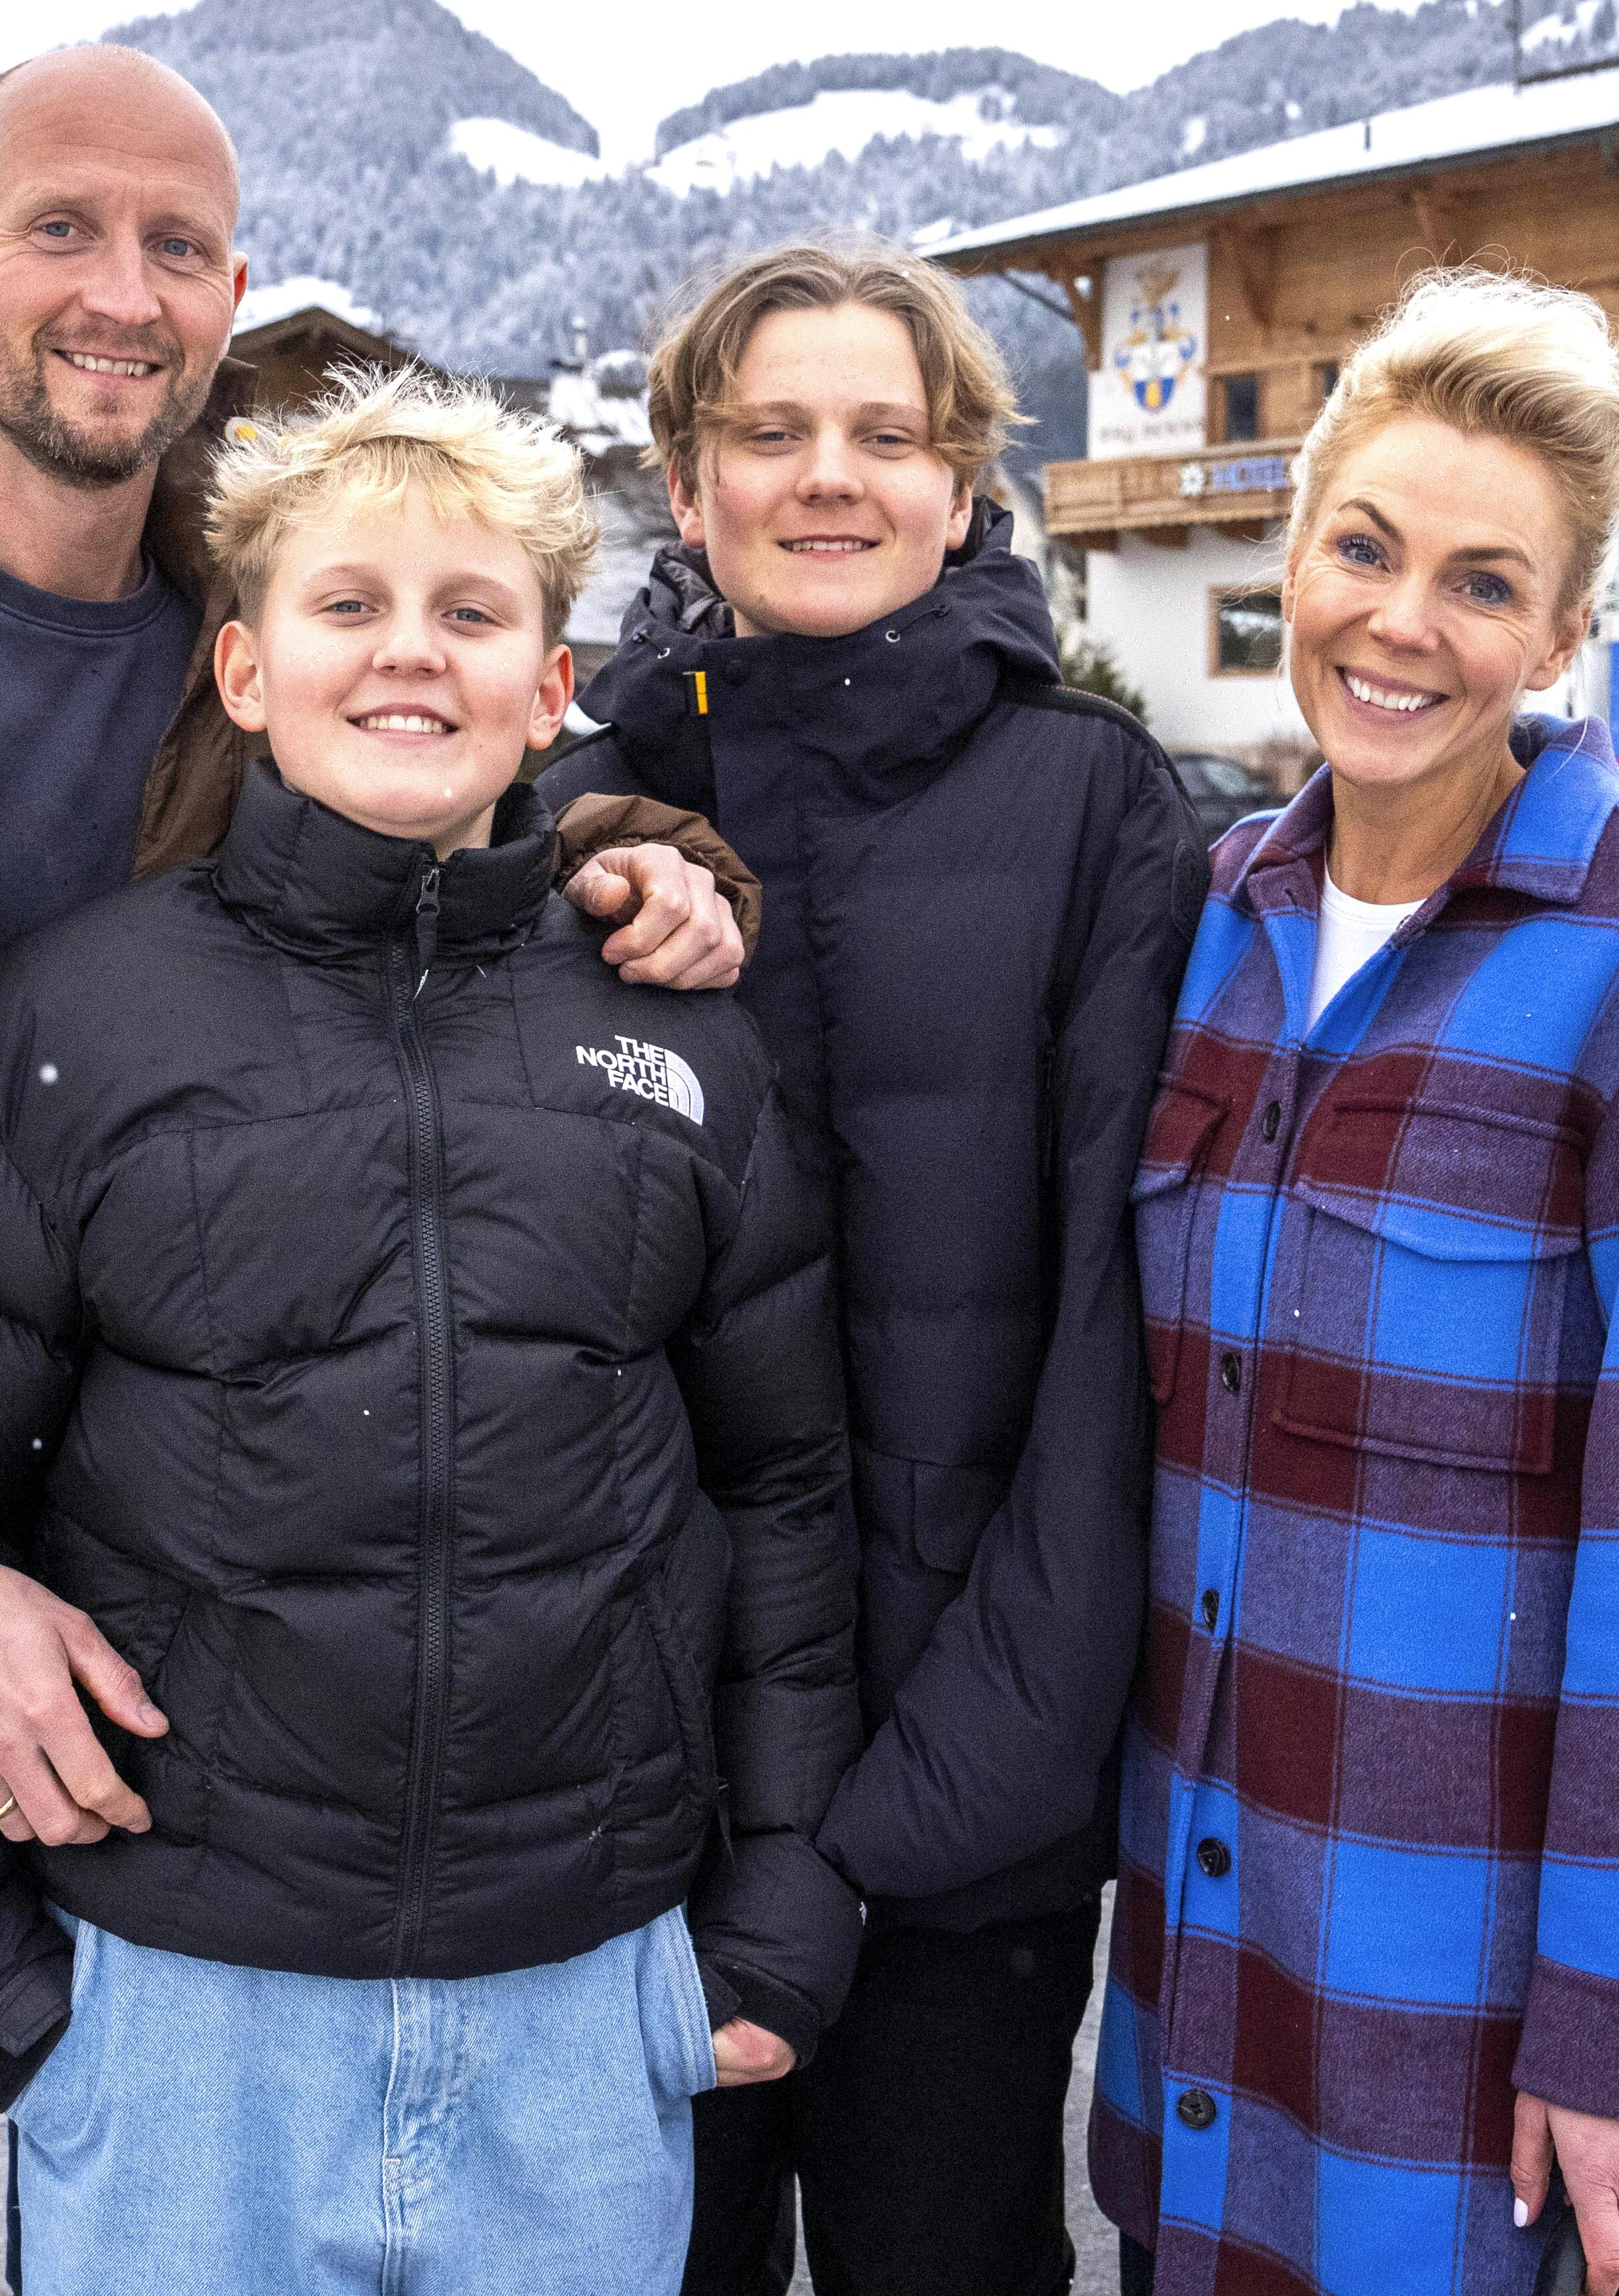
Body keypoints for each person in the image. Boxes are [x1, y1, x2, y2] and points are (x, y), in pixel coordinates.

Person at [0, 45, 744, 2296]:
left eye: (179, 244)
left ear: (237, 287)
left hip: (150, 1687)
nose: (121, 288)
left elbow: (400, 864)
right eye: (61, 226)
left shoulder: (245, 624)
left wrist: (632, 867)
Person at [0, 364, 864, 2296]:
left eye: (472, 614)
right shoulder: (76, 1024)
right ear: (241, 673)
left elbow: (782, 1488)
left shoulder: (675, 1034)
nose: (411, 655)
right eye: (349, 606)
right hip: (180, 2016)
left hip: (579, 2001)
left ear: (554, 691)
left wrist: (789, 1895)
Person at [1094, 268, 1619, 2296]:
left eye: (1484, 584)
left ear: (1564, 634)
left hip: (1466, 2022)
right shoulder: (1222, 921)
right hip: (1208, 1973)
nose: (1404, 623)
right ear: (1296, 555)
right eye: (1367, 548)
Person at [541, 240, 1207, 2295]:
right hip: (636, 1808)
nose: (830, 477)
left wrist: (903, 1824)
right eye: (771, 432)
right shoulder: (570, 816)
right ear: (688, 478)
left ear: (961, 482)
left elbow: (1115, 1369)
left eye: (886, 435)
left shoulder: (1099, 809)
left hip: (966, 1814)